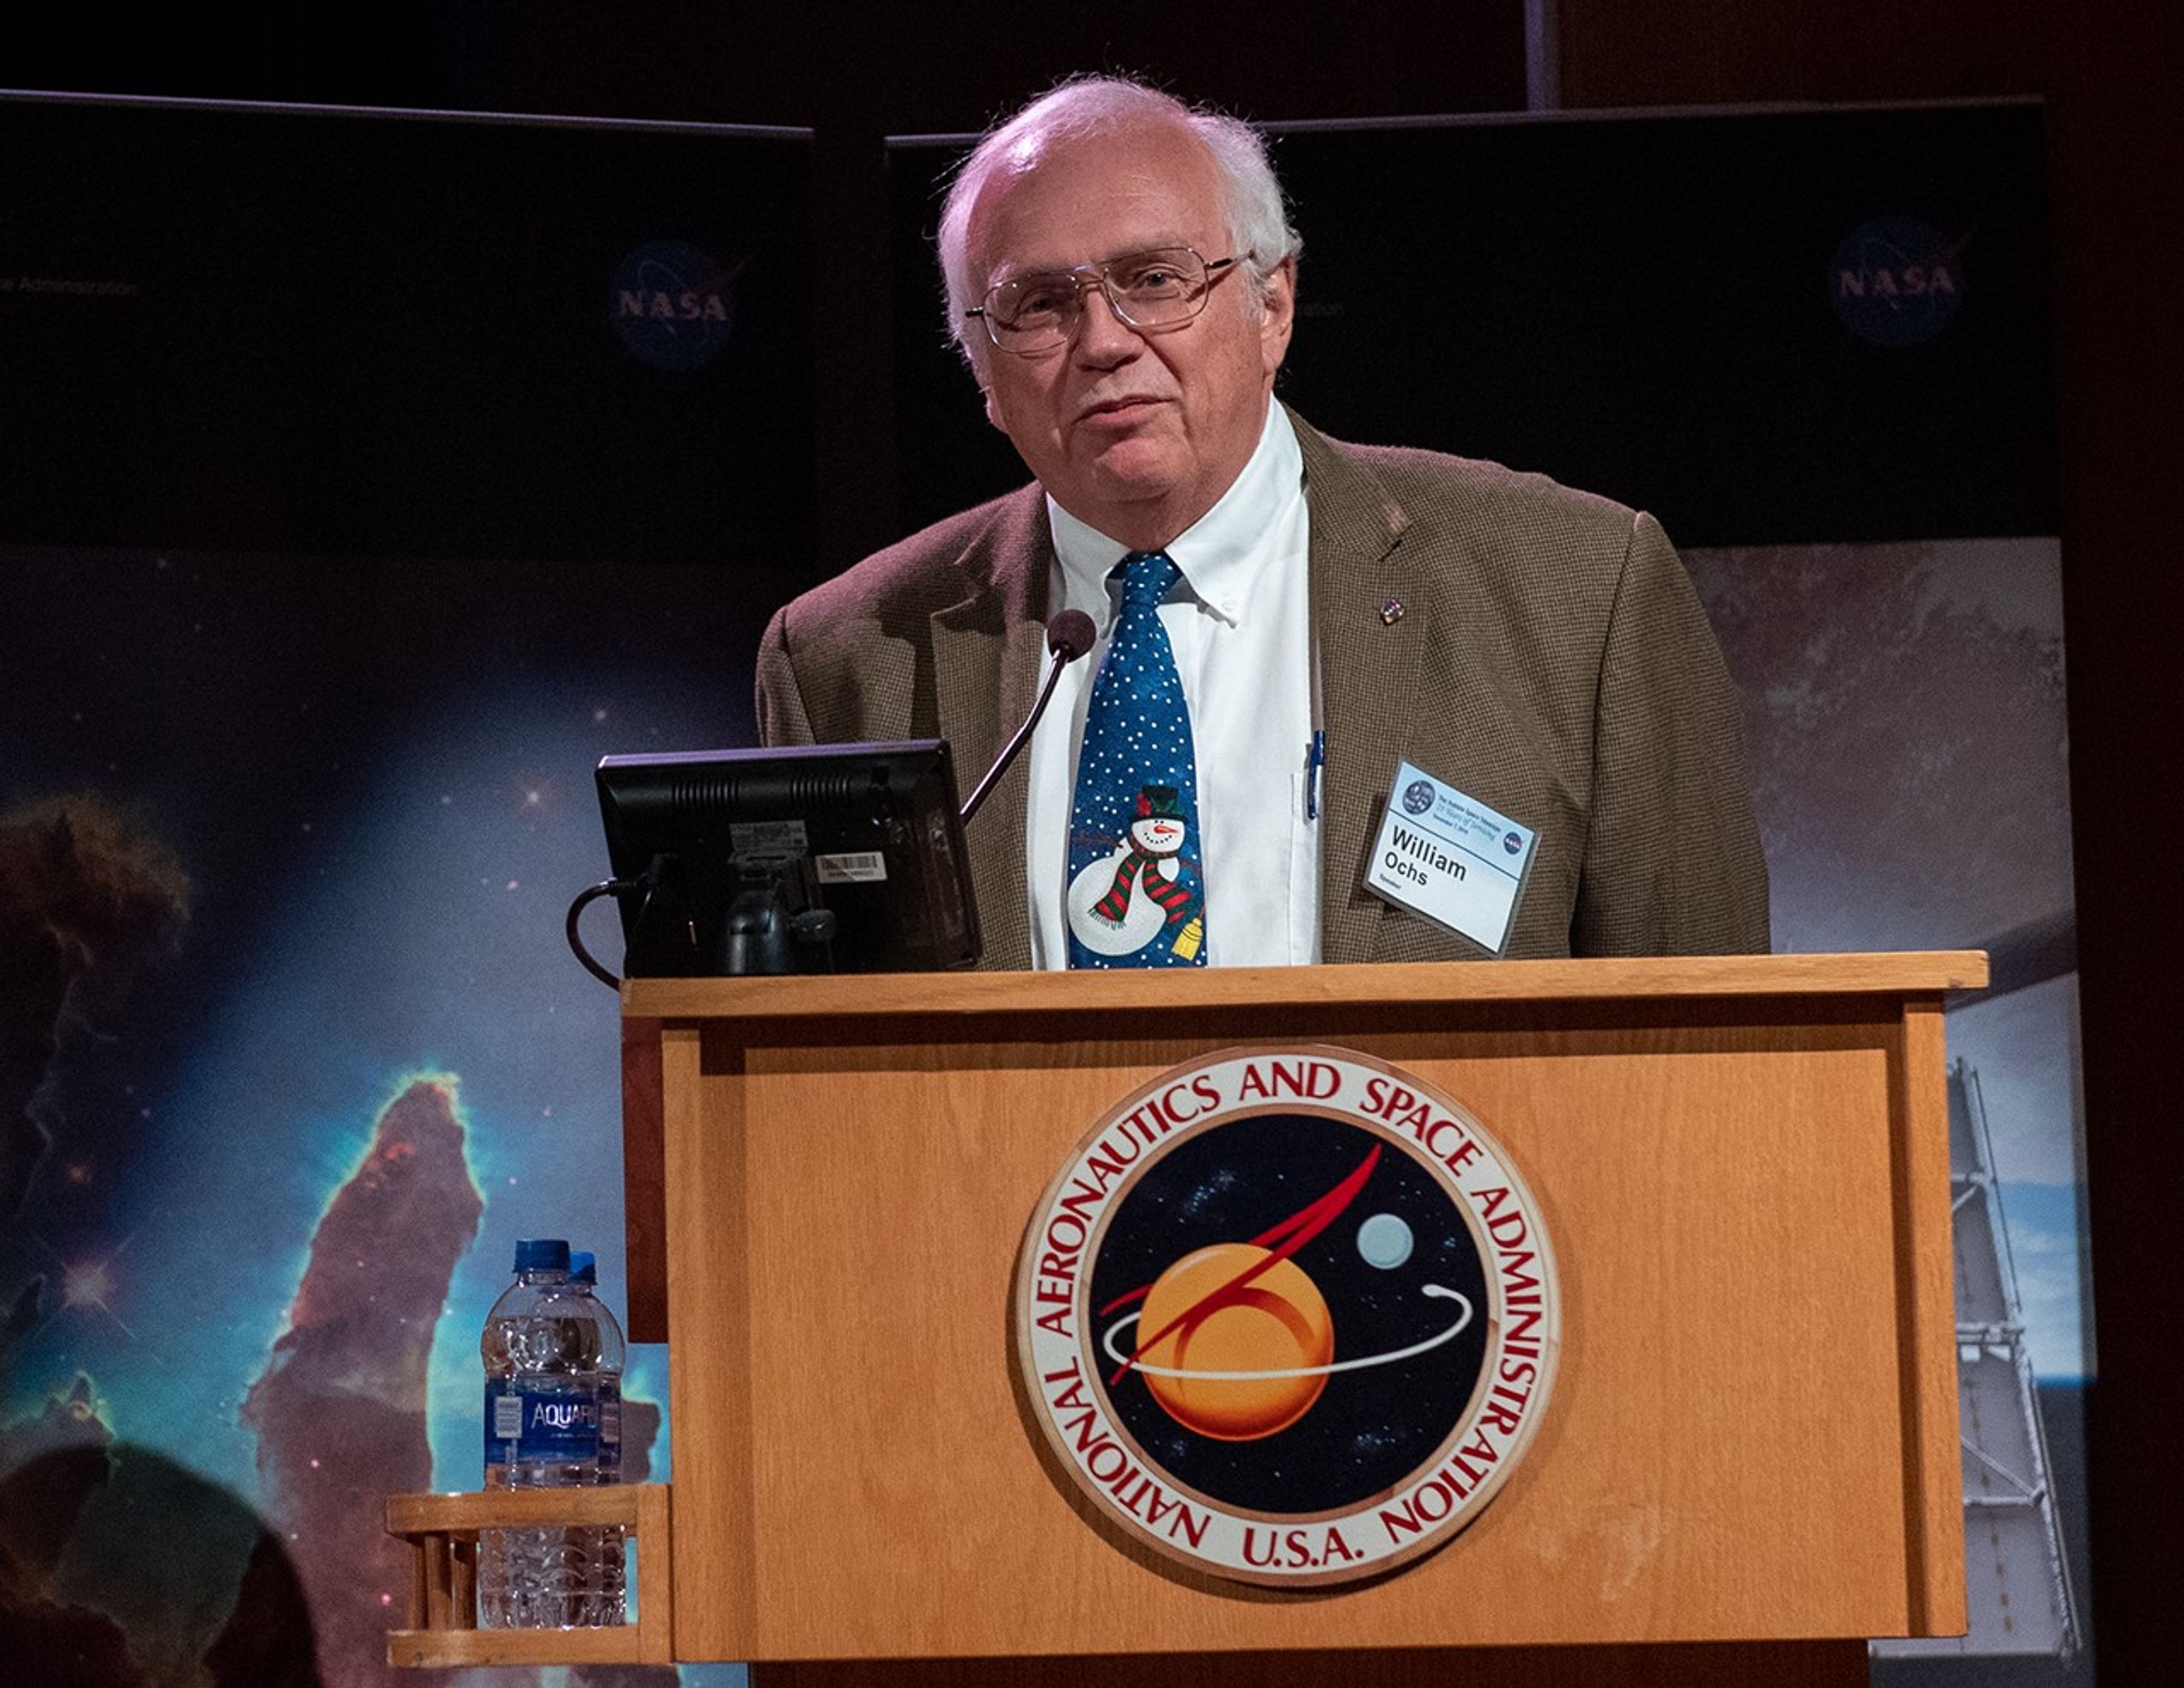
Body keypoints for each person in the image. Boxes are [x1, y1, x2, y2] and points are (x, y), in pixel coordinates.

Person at [756, 75, 1768, 969]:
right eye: (1041, 303)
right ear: (981, 365)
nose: (1104, 341)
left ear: (1272, 303)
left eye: (1155, 280)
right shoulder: (846, 661)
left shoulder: (1580, 594)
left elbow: (1715, 1048)